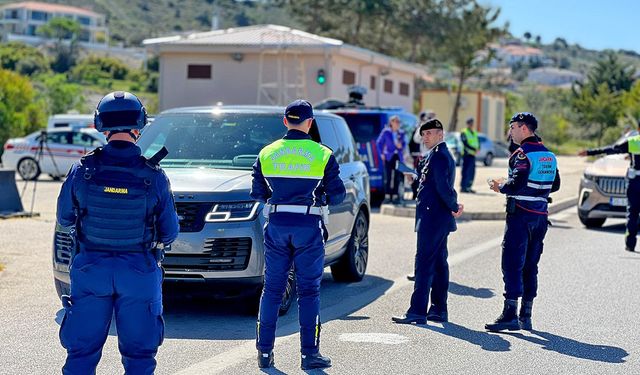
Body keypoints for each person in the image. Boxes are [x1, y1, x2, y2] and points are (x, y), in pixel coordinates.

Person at [56, 91, 180, 374]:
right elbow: (170, 232)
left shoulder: (81, 170)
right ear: (139, 125)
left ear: (101, 124)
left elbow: (64, 217)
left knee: (81, 355)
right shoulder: (154, 175)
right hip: (138, 271)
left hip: (90, 270)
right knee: (140, 358)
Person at [251, 99, 346, 370]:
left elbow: (258, 193)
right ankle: (309, 354)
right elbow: (337, 194)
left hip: (278, 225)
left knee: (272, 290)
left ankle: (265, 354)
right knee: (309, 291)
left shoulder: (266, 153)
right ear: (310, 122)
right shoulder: (323, 154)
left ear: (284, 121)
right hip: (309, 226)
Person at [485, 112, 560, 332]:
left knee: (511, 263)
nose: (510, 132)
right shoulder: (549, 155)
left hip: (520, 216)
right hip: (540, 216)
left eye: (513, 127)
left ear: (524, 128)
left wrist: (499, 186)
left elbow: (516, 184)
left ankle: (509, 315)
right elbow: (555, 185)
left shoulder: (522, 154)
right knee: (531, 265)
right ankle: (525, 315)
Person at [392, 118, 464, 325]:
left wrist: (454, 206)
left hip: (433, 218)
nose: (425, 137)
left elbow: (443, 187)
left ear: (441, 134)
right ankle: (439, 309)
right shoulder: (434, 155)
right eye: (423, 134)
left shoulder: (439, 156)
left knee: (423, 264)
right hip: (435, 217)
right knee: (439, 264)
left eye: (429, 133)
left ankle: (417, 311)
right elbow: (433, 185)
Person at [579, 120, 640, 252]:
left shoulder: (633, 141)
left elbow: (612, 149)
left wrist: (590, 152)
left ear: (639, 128)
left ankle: (630, 244)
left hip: (635, 182)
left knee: (633, 213)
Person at [376, 115, 406, 203]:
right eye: (396, 121)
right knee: (388, 176)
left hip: (398, 156)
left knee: (397, 176)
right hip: (389, 156)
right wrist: (381, 153)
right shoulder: (386, 132)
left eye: (398, 122)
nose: (397, 123)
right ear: (391, 123)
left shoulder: (401, 133)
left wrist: (402, 146)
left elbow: (404, 144)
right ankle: (388, 196)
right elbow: (379, 143)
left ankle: (396, 196)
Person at [409, 110, 436, 199]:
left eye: (431, 118)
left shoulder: (436, 128)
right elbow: (416, 139)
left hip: (434, 155)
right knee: (421, 176)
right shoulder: (422, 127)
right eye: (429, 118)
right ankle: (418, 194)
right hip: (424, 156)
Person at [460, 117, 479, 193]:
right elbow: (465, 143)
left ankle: (469, 187)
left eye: (472, 123)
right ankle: (463, 187)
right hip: (466, 154)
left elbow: (477, 141)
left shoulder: (474, 132)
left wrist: (478, 148)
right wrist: (474, 149)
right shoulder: (464, 132)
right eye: (469, 123)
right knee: (465, 171)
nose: (471, 124)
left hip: (473, 155)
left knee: (472, 172)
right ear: (467, 124)